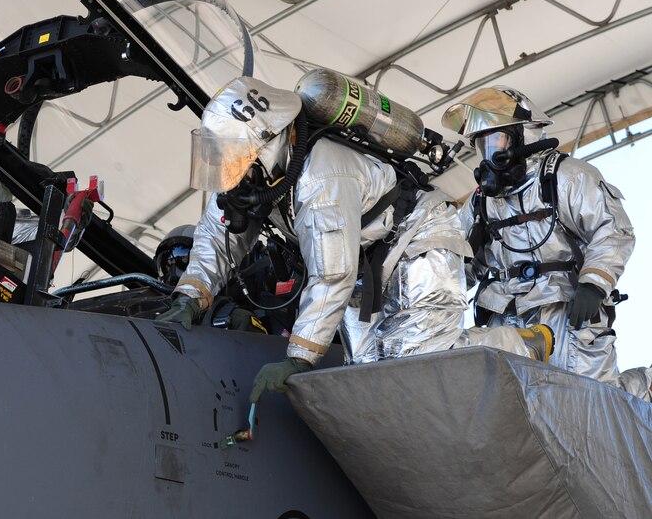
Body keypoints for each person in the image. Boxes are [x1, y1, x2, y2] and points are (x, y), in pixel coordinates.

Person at [156, 76, 554, 402]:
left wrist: (298, 358)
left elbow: (332, 275)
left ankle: (522, 342)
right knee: (366, 376)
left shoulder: (321, 177)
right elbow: (217, 233)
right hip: (367, 256)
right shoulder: (253, 176)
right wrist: (191, 296)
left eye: (234, 158)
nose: (227, 172)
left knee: (417, 359)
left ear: (268, 142)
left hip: (418, 238)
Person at [442, 85, 650, 401]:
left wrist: (594, 284)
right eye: (483, 145)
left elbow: (613, 230)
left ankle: (646, 386)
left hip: (568, 311)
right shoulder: (482, 202)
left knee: (592, 402)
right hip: (506, 319)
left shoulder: (568, 176)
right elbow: (459, 265)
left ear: (524, 135)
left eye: (496, 140)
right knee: (513, 409)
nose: (490, 153)